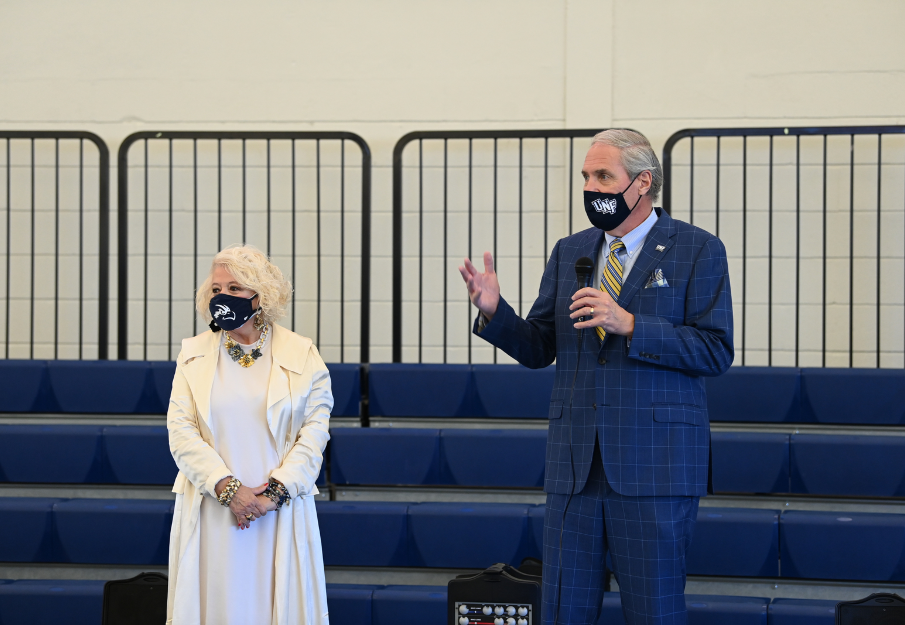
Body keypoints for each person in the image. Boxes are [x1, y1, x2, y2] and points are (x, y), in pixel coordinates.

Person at [458, 129, 733, 625]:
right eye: (586, 176)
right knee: (565, 611)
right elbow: (541, 346)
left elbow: (715, 350)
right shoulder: (572, 251)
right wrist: (496, 312)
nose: (592, 187)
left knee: (655, 613)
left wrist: (630, 324)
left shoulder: (697, 249)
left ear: (642, 182)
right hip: (575, 469)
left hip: (656, 469)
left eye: (604, 176)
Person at [165, 245, 332, 625]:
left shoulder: (302, 354)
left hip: (279, 510)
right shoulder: (192, 354)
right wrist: (227, 488)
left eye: (235, 288)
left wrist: (272, 496)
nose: (222, 297)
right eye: (216, 288)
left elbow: (314, 433)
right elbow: (181, 430)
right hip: (212, 510)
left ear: (262, 295)